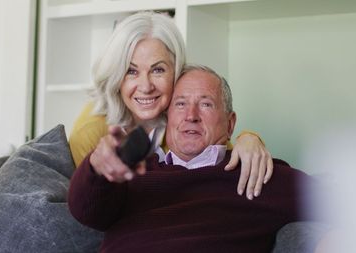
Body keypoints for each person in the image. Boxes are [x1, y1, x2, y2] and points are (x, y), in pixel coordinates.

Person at [68, 65, 322, 253]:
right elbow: (86, 212)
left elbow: (343, 201)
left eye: (206, 104)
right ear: (168, 118)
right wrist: (96, 166)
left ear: (230, 123)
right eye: (180, 104)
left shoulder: (255, 175)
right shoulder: (135, 171)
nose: (191, 115)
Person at [68, 11, 273, 198]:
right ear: (116, 76)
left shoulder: (180, 117)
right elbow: (89, 204)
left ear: (176, 71)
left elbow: (219, 148)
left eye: (158, 70)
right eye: (131, 71)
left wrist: (249, 138)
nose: (146, 86)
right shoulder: (90, 131)